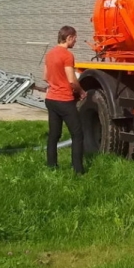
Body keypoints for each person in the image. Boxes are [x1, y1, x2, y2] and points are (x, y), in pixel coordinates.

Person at [43, 26, 86, 174]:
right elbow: (71, 80)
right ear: (68, 38)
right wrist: (81, 91)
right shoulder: (67, 55)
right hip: (64, 100)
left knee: (54, 134)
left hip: (50, 99)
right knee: (78, 134)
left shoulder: (49, 54)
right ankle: (78, 170)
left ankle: (51, 165)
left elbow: (45, 76)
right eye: (74, 38)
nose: (75, 41)